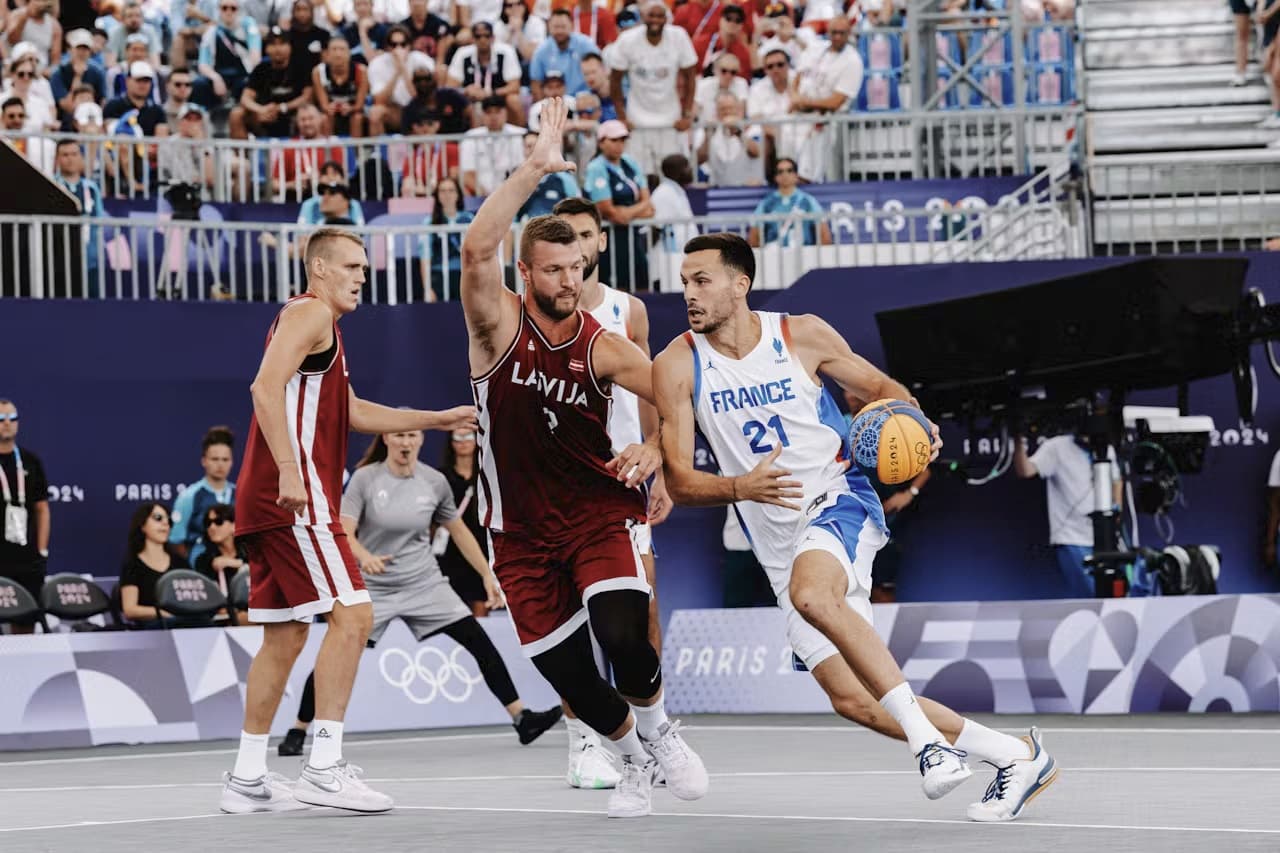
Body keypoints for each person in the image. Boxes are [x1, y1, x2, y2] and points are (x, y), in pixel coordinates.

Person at [652, 232, 1059, 823]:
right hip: (774, 537)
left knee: (812, 593)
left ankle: (929, 749)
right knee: (854, 700)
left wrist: (914, 422)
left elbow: (883, 390)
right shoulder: (676, 364)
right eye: (684, 282)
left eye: (701, 280)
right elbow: (682, 482)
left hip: (837, 498)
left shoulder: (801, 334)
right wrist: (741, 487)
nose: (688, 292)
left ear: (739, 285)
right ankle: (1018, 756)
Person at [458, 100, 707, 818]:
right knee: (567, 670)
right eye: (554, 269)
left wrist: (658, 446)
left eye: (577, 267)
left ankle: (660, 734)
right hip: (520, 532)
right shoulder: (495, 324)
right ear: (527, 271)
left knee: (625, 632)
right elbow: (477, 250)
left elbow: (673, 387)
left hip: (598, 511)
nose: (569, 281)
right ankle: (631, 759)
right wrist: (533, 166)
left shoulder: (600, 341)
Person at [219, 225, 477, 815]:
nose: (363, 275)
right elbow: (264, 386)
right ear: (320, 270)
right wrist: (289, 468)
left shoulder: (322, 331)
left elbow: (352, 411)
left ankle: (247, 776)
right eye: (353, 266)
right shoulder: (310, 313)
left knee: (283, 639)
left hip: (267, 502)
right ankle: (324, 765)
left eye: (365, 267)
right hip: (296, 496)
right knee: (356, 614)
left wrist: (435, 419)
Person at [276, 429, 565, 757]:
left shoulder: (433, 482)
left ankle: (521, 718)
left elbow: (459, 532)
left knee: (478, 640)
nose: (405, 442)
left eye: (412, 435)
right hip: (374, 588)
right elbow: (344, 531)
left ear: (421, 441)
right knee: (339, 654)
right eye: (398, 435)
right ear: (386, 439)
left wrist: (488, 575)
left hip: (424, 583)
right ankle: (299, 729)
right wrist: (365, 557)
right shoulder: (365, 479)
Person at [551, 194, 671, 787]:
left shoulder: (630, 311)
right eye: (563, 237)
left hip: (624, 484)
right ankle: (583, 743)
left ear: (599, 242)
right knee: (570, 618)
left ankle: (654, 729)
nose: (576, 246)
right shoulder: (535, 314)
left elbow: (652, 393)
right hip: (559, 487)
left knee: (640, 610)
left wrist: (663, 467)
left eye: (584, 235)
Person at [1012, 427, 1122, 599]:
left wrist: (1117, 509)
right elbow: (1025, 470)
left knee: (1118, 594)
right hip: (1072, 538)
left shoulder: (1104, 446)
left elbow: (1116, 479)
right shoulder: (1055, 447)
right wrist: (1018, 440)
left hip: (1105, 537)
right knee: (1093, 597)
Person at [608, 0, 699, 176]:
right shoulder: (627, 40)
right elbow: (615, 80)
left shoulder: (679, 37)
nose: (655, 20)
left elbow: (690, 77)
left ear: (666, 19)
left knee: (671, 175)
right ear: (643, 17)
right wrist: (621, 116)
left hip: (670, 119)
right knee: (640, 175)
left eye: (660, 16)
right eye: (651, 15)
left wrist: (687, 114)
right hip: (637, 120)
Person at [583, 119, 652, 292]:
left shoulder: (629, 162)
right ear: (601, 142)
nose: (619, 145)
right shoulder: (596, 168)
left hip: (632, 236)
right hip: (610, 240)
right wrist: (637, 210)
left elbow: (649, 205)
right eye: (614, 140)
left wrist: (627, 213)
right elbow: (609, 211)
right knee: (615, 288)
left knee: (641, 283)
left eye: (622, 140)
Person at [0, 398, 50, 636]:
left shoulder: (31, 461)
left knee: (26, 622)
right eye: (1, 419)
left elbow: (42, 509)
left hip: (26, 558)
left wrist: (41, 550)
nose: (7, 424)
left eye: (12, 418)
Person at [117, 502, 196, 629]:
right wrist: (163, 614)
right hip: (152, 629)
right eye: (158, 518)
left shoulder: (180, 562)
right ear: (142, 525)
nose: (165, 523)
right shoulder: (133, 564)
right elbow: (130, 610)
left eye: (168, 520)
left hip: (185, 624)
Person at [170, 426, 237, 566]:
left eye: (225, 459)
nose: (220, 464)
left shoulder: (239, 494)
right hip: (201, 572)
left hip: (237, 566)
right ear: (204, 461)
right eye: (215, 459)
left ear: (232, 462)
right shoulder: (189, 496)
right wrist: (195, 564)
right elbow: (176, 540)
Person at [230, 26, 313, 139]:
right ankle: (242, 156)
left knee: (312, 115)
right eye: (273, 44)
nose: (277, 48)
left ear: (289, 47)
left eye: (282, 44)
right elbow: (245, 98)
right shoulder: (261, 69)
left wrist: (282, 107)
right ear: (267, 48)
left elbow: (307, 97)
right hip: (265, 116)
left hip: (293, 114)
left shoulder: (300, 67)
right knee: (237, 114)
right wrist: (260, 110)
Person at [747, 157, 832, 247]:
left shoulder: (807, 201)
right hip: (773, 256)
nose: (785, 174)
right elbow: (754, 235)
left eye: (789, 170)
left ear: (796, 175)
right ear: (775, 177)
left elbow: (824, 233)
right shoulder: (766, 203)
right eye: (780, 171)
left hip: (804, 255)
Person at [418, 175, 473, 301]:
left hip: (464, 277)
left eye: (451, 190)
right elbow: (425, 257)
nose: (447, 194)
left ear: (458, 194)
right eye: (442, 191)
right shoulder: (429, 222)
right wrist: (427, 288)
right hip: (439, 277)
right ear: (437, 195)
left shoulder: (469, 219)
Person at [194, 502, 250, 624]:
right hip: (220, 618)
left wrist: (237, 564)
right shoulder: (204, 560)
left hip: (254, 611)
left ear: (234, 525)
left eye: (218, 521)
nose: (212, 527)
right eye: (208, 523)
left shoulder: (251, 554)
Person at [518, 131, 580, 220]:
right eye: (528, 146)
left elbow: (577, 208)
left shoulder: (564, 178)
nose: (532, 150)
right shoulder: (517, 182)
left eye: (535, 146)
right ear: (523, 151)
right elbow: (511, 219)